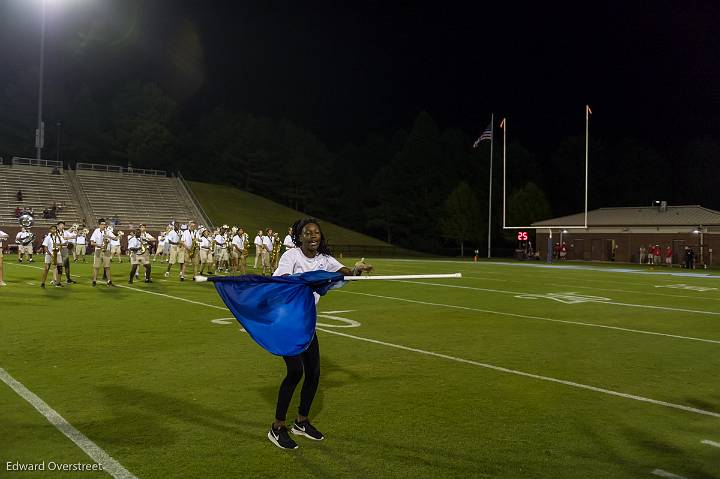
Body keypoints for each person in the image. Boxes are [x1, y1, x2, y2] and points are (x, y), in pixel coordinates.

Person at [268, 217, 373, 450]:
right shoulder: (291, 256)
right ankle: (277, 427)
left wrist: (356, 270)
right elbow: (283, 280)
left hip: (306, 322)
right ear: (299, 237)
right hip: (286, 322)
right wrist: (311, 279)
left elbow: (343, 272)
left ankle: (301, 422)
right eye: (307, 233)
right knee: (295, 372)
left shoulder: (325, 260)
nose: (313, 236)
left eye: (316, 233)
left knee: (314, 373)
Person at [90, 218, 118, 287]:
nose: (104, 225)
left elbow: (116, 238)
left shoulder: (107, 231)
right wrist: (99, 245)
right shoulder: (96, 231)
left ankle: (109, 281)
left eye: (104, 224)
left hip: (107, 251)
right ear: (99, 225)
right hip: (98, 250)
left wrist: (108, 236)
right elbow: (92, 243)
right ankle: (94, 281)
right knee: (96, 267)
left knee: (107, 266)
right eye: (102, 224)